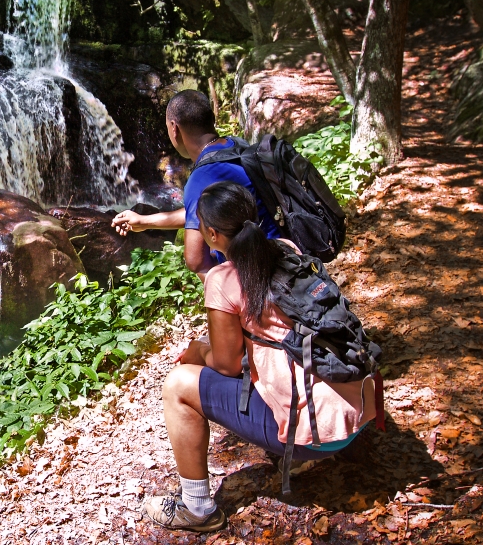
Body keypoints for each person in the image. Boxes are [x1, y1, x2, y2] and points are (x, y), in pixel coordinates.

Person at [141, 182, 375, 532]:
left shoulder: (222, 279)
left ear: (212, 233)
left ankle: (196, 508)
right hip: (359, 411)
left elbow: (226, 364)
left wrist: (198, 350)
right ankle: (321, 450)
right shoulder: (286, 247)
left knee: (178, 385)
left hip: (317, 434)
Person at [112, 90, 279, 278]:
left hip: (264, 275)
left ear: (174, 128)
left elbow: (196, 261)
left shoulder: (202, 177)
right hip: (282, 254)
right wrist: (144, 221)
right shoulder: (236, 146)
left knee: (209, 273)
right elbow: (203, 210)